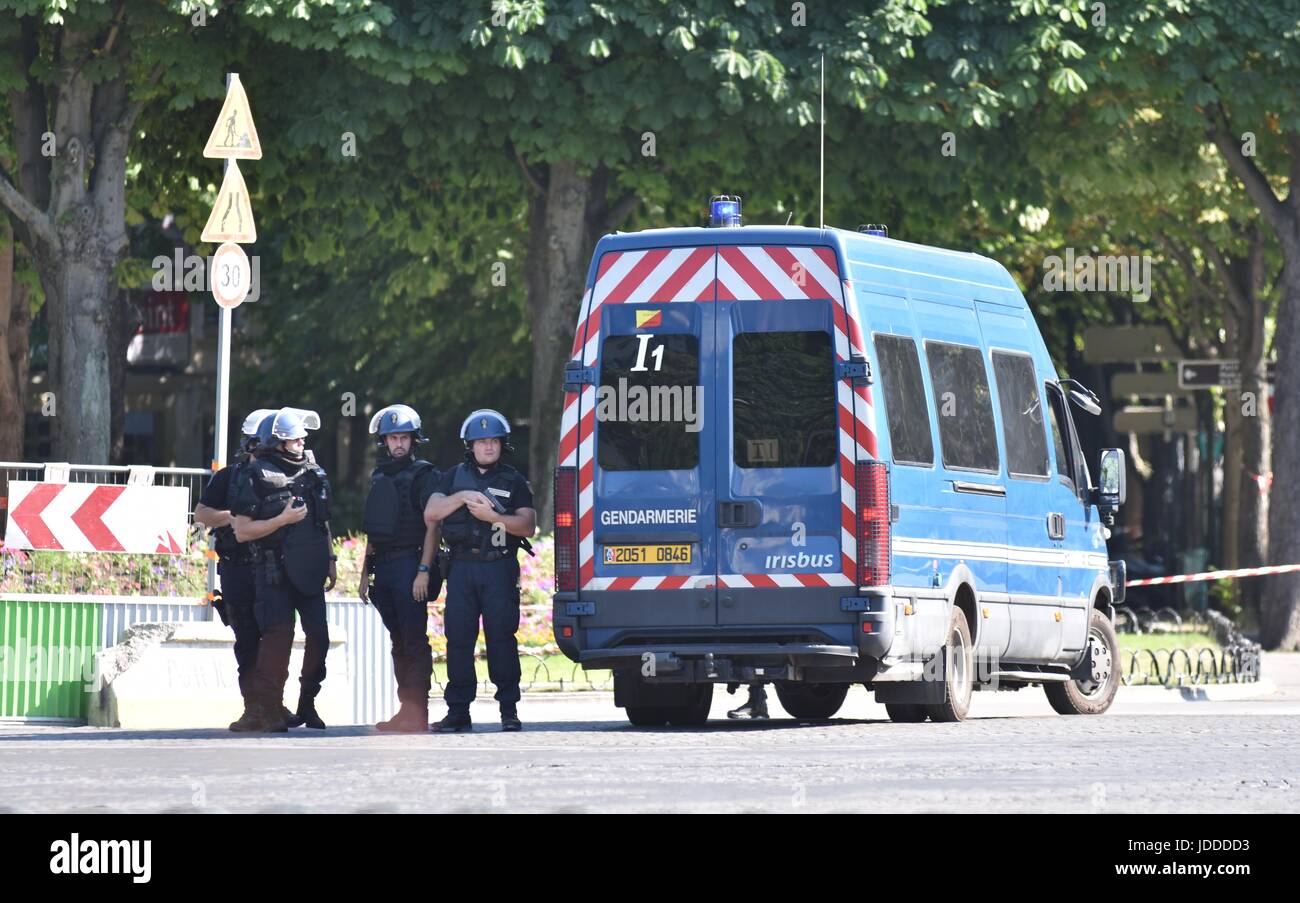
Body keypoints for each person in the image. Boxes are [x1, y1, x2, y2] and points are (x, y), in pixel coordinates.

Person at [424, 409, 536, 733]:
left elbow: (528, 525)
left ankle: (508, 710)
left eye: (493, 441)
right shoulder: (452, 477)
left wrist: (492, 518)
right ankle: (458, 712)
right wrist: (460, 497)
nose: (488, 447)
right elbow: (432, 513)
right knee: (458, 639)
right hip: (461, 568)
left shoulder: (513, 480)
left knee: (501, 638)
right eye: (481, 441)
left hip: (498, 567)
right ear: (470, 446)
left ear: (502, 445)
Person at [231, 407, 335, 732]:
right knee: (278, 641)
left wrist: (331, 560)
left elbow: (323, 521)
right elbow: (242, 531)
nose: (302, 441)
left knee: (319, 636)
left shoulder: (314, 470)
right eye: (294, 439)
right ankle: (270, 709)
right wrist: (281, 520)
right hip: (273, 572)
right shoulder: (256, 474)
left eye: (303, 437)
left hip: (311, 571)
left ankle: (308, 703)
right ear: (278, 442)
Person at [195, 408, 292, 732]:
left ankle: (274, 705)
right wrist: (234, 517)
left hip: (274, 568)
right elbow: (203, 514)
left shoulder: (285, 475)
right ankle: (254, 709)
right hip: (239, 569)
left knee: (276, 640)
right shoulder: (230, 476)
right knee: (248, 641)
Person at [360, 403, 442, 732]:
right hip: (385, 565)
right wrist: (365, 574)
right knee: (398, 641)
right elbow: (374, 528)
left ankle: (417, 712)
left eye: (404, 438)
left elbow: (433, 526)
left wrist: (424, 570)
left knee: (413, 640)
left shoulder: (425, 474)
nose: (398, 444)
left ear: (413, 440)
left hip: (411, 563)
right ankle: (404, 710)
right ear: (385, 441)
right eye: (392, 438)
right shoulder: (379, 475)